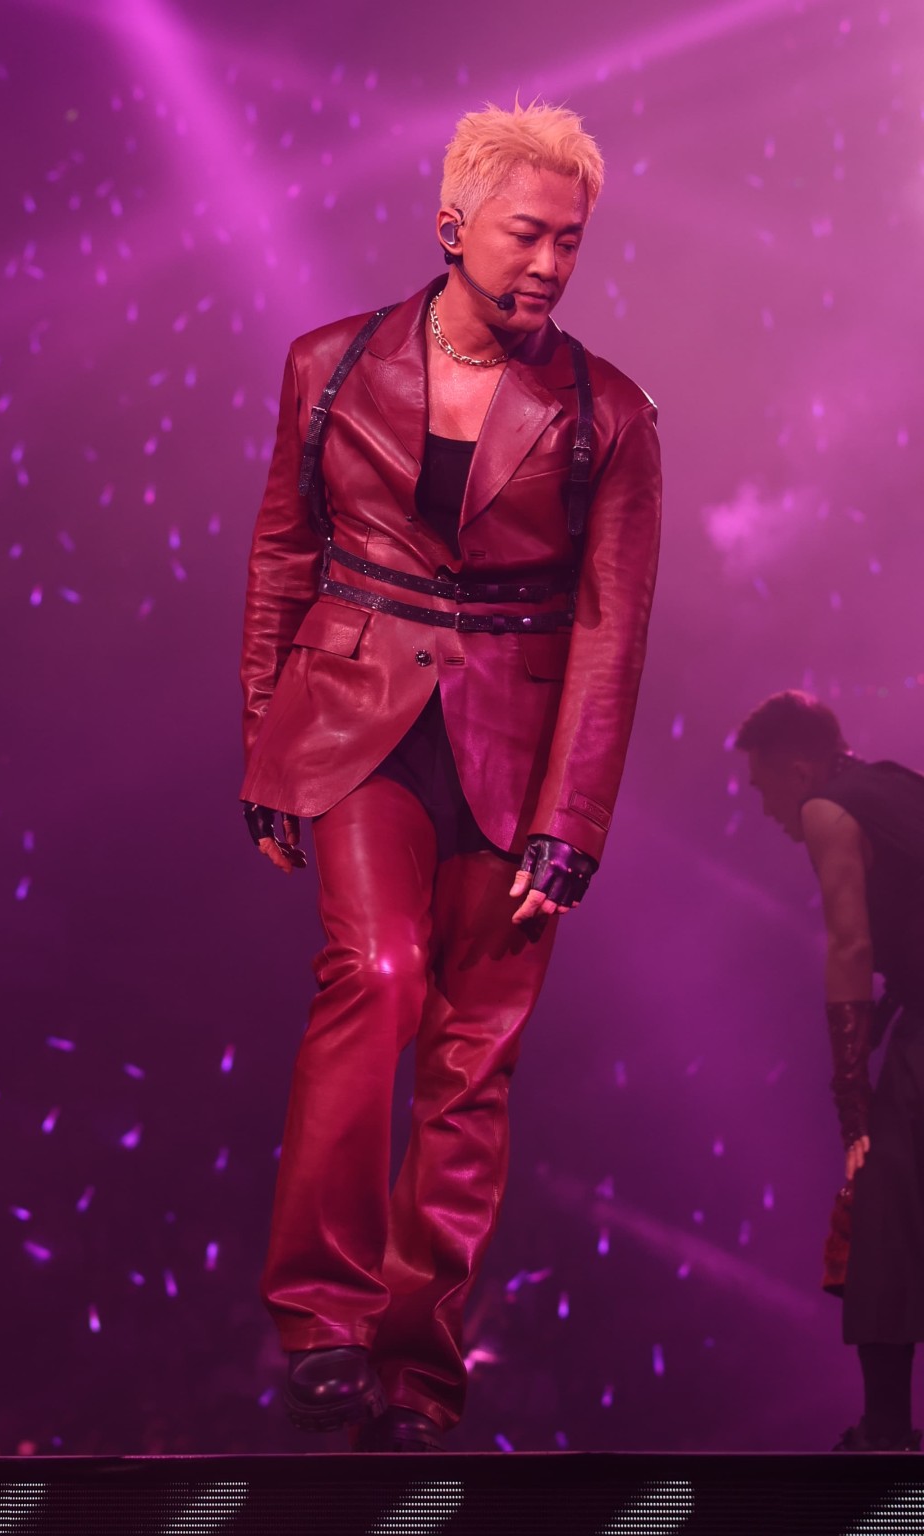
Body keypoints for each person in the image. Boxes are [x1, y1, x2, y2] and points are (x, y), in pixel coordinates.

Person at [240, 100, 661, 1451]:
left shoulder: (609, 413)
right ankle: (323, 1320)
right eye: (528, 233)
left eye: (571, 242)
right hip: (354, 722)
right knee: (374, 975)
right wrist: (263, 738)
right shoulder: (328, 364)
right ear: (451, 224)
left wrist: (572, 823)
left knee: (473, 1062)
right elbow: (284, 552)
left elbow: (611, 627)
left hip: (517, 753)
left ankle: (419, 1378)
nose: (549, 262)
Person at [736, 690, 924, 1453]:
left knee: (881, 1204)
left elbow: (849, 946)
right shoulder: (898, 783)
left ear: (799, 770)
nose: (766, 810)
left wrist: (851, 1099)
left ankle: (886, 1432)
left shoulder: (827, 808)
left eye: (763, 788)